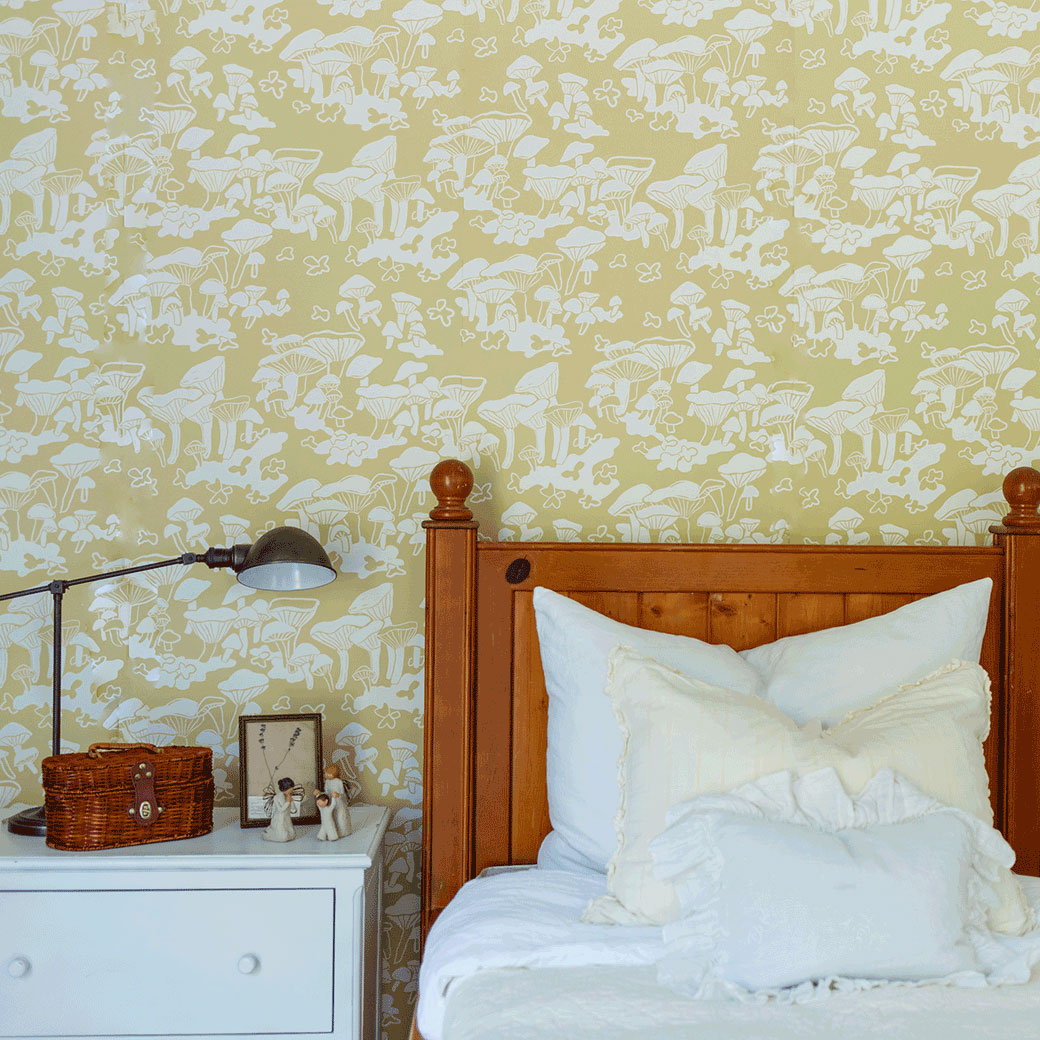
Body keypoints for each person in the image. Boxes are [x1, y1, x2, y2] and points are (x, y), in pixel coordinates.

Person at [323, 763, 353, 837]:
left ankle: (344, 832)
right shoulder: (327, 782)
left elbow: (342, 793)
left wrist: (338, 795)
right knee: (332, 817)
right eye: (327, 773)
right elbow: (326, 791)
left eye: (329, 773)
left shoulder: (339, 782)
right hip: (330, 801)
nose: (327, 775)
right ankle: (333, 832)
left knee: (340, 817)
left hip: (339, 802)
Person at [263, 776, 296, 842]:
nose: (292, 790)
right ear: (287, 788)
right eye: (291, 789)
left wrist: (291, 802)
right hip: (279, 819)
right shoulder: (277, 797)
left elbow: (293, 810)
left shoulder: (289, 796)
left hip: (287, 819)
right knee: (282, 838)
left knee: (292, 834)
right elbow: (281, 810)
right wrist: (288, 802)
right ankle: (268, 833)